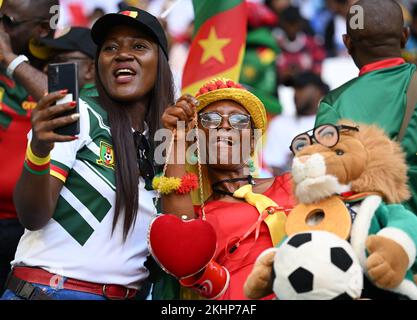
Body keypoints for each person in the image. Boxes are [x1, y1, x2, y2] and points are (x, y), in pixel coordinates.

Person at [2, 7, 174, 300]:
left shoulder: (166, 143)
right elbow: (32, 215)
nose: (122, 54)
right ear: (98, 65)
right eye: (110, 47)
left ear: (161, 64)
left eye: (139, 46)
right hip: (50, 291)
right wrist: (40, 152)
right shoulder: (78, 114)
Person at [160, 78, 294, 300]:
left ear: (252, 142)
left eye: (239, 120)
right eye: (210, 119)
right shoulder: (197, 218)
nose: (225, 125)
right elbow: (177, 242)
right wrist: (178, 138)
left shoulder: (292, 185)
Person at [314, 0, 417, 214]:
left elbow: (323, 183)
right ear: (405, 37)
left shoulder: (333, 104)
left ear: (347, 43)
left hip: (373, 234)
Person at [0, 0, 58, 295]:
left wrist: (10, 59)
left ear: (41, 29)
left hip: (25, 230)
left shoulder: (68, 58)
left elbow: (66, 104)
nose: (1, 28)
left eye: (8, 21)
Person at [264, 72, 329, 175]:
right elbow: (270, 166)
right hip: (284, 186)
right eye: (294, 89)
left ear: (319, 92)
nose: (295, 94)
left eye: (301, 88)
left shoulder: (330, 125)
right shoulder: (279, 123)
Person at [34, 27, 98, 97]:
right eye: (47, 61)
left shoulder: (95, 104)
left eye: (58, 60)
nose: (45, 68)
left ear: (91, 69)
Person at [275, 6, 326, 85]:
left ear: (300, 23)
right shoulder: (276, 45)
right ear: (282, 24)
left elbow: (318, 71)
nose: (291, 27)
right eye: (288, 23)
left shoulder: (312, 45)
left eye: (294, 23)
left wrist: (300, 75)